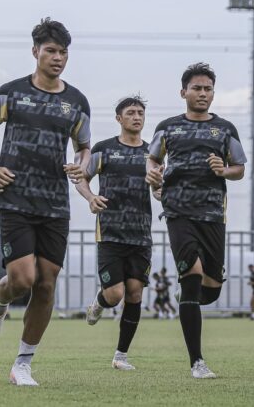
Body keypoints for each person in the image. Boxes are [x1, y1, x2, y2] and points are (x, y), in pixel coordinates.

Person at [0, 18, 91, 387]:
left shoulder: (76, 102)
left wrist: (82, 167)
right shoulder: (10, 93)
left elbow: (84, 147)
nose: (58, 58)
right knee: (23, 279)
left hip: (55, 204)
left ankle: (22, 363)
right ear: (35, 52)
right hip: (16, 199)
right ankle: (0, 298)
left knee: (46, 284)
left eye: (63, 52)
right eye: (51, 51)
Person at [146, 62, 247, 379]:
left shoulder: (226, 129)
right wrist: (152, 175)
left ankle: (187, 297)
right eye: (197, 88)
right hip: (178, 212)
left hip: (213, 214)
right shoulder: (167, 127)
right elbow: (152, 159)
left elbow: (240, 168)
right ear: (183, 92)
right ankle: (197, 363)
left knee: (211, 288)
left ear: (213, 94)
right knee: (192, 275)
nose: (203, 94)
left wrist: (223, 170)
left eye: (208, 89)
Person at [77, 95, 156, 370]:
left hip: (141, 235)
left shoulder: (152, 154)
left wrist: (160, 188)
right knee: (115, 295)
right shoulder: (104, 149)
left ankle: (120, 356)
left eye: (141, 113)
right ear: (119, 118)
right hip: (110, 233)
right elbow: (81, 178)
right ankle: (98, 304)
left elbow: (159, 188)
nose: (137, 117)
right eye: (131, 112)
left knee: (135, 294)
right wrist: (90, 197)